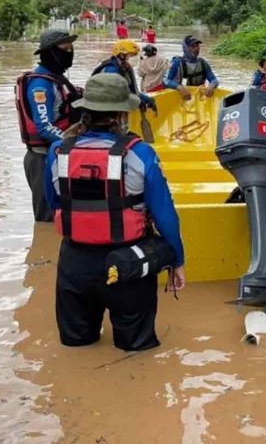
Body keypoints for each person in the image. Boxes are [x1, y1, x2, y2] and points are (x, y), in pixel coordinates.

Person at [44, 72, 185, 351]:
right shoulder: (141, 153)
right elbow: (165, 215)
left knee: (76, 346)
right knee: (137, 349)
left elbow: (54, 204)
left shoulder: (57, 151)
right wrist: (176, 260)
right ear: (122, 114)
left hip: (74, 263)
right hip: (129, 263)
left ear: (86, 110)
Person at [15, 29, 82, 222]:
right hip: (42, 159)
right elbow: (44, 127)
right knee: (47, 219)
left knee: (64, 215)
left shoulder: (57, 79)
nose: (70, 53)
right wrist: (76, 143)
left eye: (72, 48)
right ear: (50, 52)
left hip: (58, 155)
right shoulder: (40, 85)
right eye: (65, 49)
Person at [93, 40, 156, 111]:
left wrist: (147, 99)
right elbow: (114, 92)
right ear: (121, 55)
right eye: (129, 56)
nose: (130, 59)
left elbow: (132, 91)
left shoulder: (124, 69)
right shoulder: (111, 69)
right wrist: (137, 101)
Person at [163, 35, 219, 100]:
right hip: (180, 100)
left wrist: (211, 86)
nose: (196, 49)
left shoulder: (203, 63)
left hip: (198, 100)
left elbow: (214, 79)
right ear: (185, 48)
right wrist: (180, 87)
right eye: (193, 46)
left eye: (197, 46)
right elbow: (166, 80)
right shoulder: (176, 63)